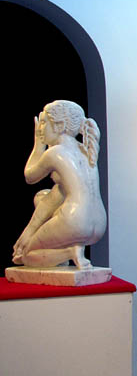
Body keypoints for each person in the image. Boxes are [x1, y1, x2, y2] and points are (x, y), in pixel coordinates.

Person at [12, 100, 107, 268]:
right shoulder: (86, 150)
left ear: (59, 125)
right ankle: (63, 253)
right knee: (41, 196)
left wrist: (38, 145)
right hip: (99, 222)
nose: (40, 129)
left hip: (75, 219)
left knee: (26, 255)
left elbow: (29, 176)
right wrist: (29, 230)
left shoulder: (54, 153)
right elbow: (54, 197)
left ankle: (70, 252)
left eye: (43, 123)